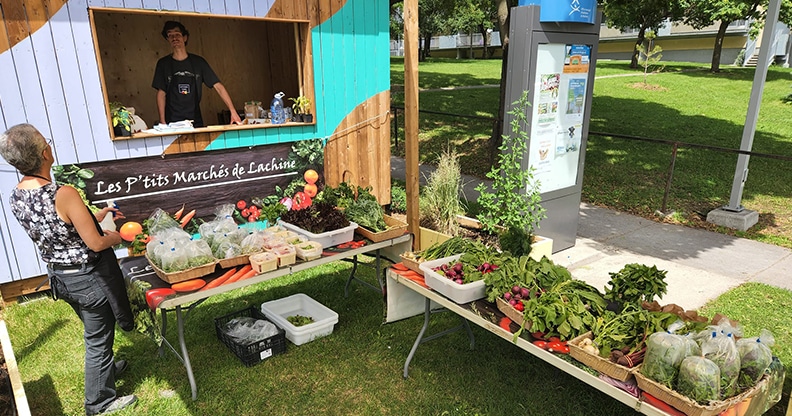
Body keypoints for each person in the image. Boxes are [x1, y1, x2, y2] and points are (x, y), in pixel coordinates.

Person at [0, 124, 137, 415]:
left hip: (61, 277)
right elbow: (96, 243)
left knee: (93, 328)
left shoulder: (16, 196)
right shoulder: (63, 193)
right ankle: (99, 402)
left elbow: (59, 228)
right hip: (88, 278)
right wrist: (116, 236)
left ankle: (105, 370)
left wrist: (96, 215)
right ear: (45, 153)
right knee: (98, 338)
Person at [152, 20, 242, 127]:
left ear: (185, 38)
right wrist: (163, 122)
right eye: (170, 35)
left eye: (177, 34)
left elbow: (218, 87)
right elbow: (161, 94)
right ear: (167, 39)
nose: (174, 38)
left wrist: (233, 112)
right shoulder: (163, 64)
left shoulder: (198, 62)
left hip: (195, 120)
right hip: (172, 122)